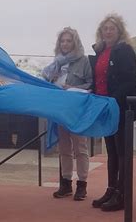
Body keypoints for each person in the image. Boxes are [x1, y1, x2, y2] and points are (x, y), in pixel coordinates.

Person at [89, 14, 136, 212]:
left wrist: (113, 98)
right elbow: (98, 80)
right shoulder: (101, 52)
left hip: (120, 107)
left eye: (112, 28)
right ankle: (111, 189)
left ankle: (122, 195)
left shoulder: (124, 50)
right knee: (112, 152)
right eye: (105, 28)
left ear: (119, 30)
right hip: (105, 107)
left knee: (122, 153)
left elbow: (131, 80)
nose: (108, 31)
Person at [42, 27, 93, 201]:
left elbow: (90, 84)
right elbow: (47, 84)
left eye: (68, 40)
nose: (65, 44)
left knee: (80, 147)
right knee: (64, 147)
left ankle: (82, 185)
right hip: (60, 109)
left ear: (75, 42)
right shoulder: (56, 62)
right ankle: (65, 184)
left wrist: (73, 88)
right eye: (62, 41)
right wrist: (52, 78)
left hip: (77, 109)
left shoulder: (84, 61)